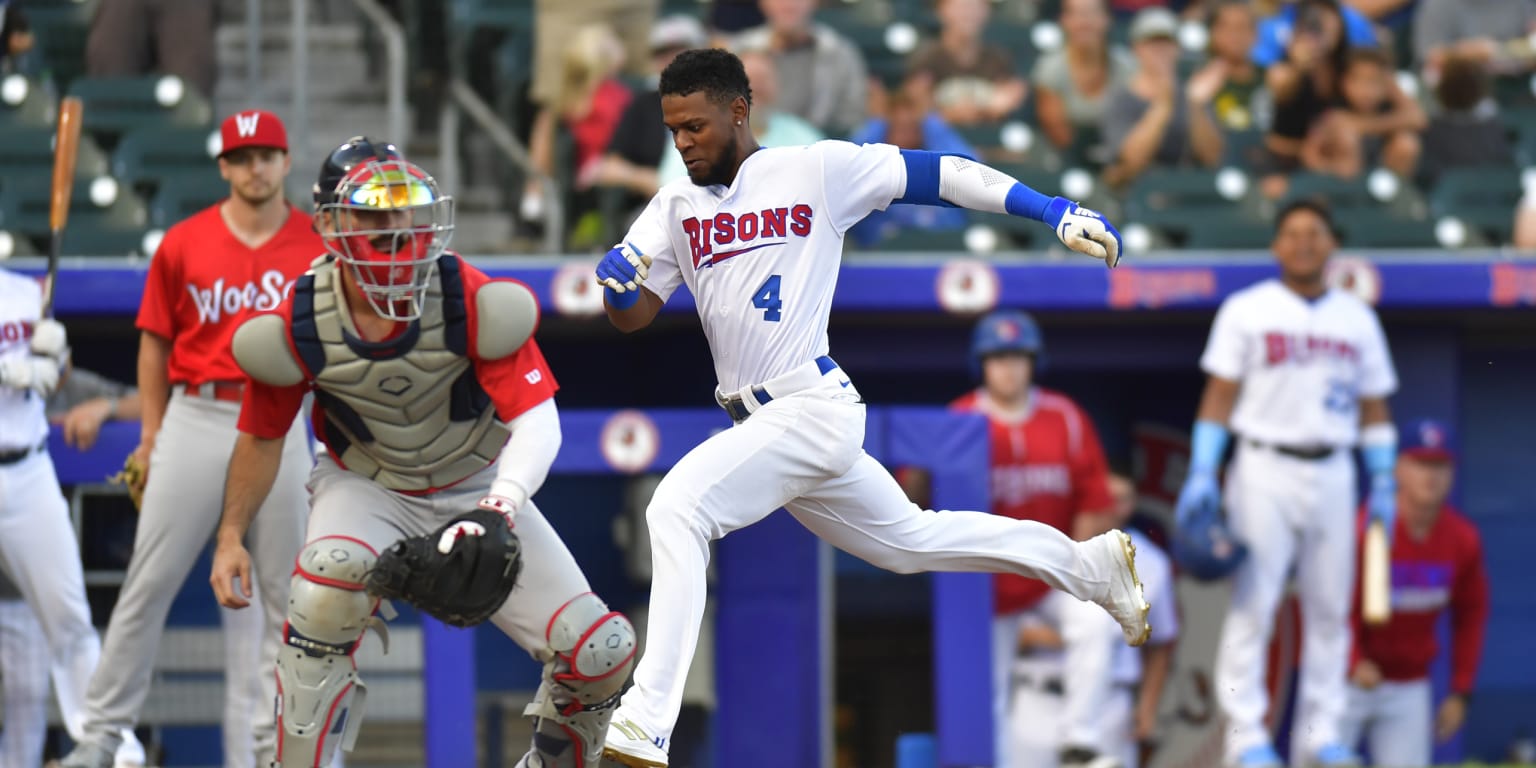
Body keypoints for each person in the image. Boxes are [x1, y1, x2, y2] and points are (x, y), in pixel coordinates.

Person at [592, 47, 1146, 768]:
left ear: (738, 110)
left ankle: (644, 725)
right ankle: (1090, 567)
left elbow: (940, 175)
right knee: (910, 543)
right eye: (672, 130)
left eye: (695, 125)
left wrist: (1049, 209)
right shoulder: (673, 204)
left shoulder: (814, 168)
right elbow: (632, 316)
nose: (683, 142)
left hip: (808, 403)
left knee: (676, 510)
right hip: (762, 421)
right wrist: (615, 285)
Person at [207, 140, 636, 768]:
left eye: (402, 210)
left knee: (602, 652)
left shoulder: (465, 292)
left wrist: (498, 507)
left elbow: (539, 422)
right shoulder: (302, 316)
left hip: (476, 479)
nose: (393, 229)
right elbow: (263, 436)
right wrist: (230, 534)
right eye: (371, 212)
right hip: (366, 485)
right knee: (323, 587)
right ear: (329, 222)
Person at [60, 110, 320, 768]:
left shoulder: (318, 245)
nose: (255, 167)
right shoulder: (183, 241)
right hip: (199, 413)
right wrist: (149, 436)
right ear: (224, 167)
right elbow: (154, 344)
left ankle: (279, 749)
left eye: (267, 155)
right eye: (242, 156)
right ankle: (100, 737)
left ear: (286, 162)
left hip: (283, 421)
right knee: (147, 585)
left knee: (290, 598)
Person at [1173, 199, 1399, 768]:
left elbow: (1374, 408)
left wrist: (1385, 477)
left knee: (1330, 609)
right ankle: (1246, 736)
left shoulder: (1357, 317)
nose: (1303, 243)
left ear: (1331, 245)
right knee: (1255, 604)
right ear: (1276, 245)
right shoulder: (1247, 309)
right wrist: (1204, 468)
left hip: (1334, 468)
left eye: (1314, 234)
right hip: (1263, 465)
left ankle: (1319, 737)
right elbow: (1218, 398)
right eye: (1293, 234)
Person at [944, 310, 1125, 768]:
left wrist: (1072, 566)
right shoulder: (960, 418)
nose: (1009, 367)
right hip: (986, 581)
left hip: (1049, 571)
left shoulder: (1064, 416)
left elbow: (1095, 498)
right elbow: (918, 499)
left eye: (1019, 356)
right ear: (981, 364)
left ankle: (1078, 739)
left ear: (1033, 362)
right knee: (988, 691)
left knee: (1095, 621)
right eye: (998, 357)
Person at [0, 270, 147, 768]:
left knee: (69, 617)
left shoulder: (25, 292)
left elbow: (53, 377)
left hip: (26, 467)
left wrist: (53, 363)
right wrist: (9, 370)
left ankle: (109, 746)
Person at [1004, 470, 1181, 768]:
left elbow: (1160, 641)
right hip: (1036, 695)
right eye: (1105, 498)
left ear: (1134, 503)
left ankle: (1081, 740)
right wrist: (1081, 635)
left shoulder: (1150, 561)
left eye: (1122, 499)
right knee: (1093, 626)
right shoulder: (1044, 546)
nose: (1112, 507)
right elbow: (1004, 631)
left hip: (1109, 702)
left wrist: (1148, 707)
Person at [1339, 419, 1489, 767]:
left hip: (1408, 683)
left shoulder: (1462, 538)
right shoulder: (1368, 527)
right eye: (1421, 463)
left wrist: (1461, 691)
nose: (1431, 475)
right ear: (1398, 468)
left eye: (1440, 465)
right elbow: (1332, 607)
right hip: (1347, 678)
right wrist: (1351, 660)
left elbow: (1471, 616)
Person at [657, 47, 823, 186]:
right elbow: (673, 185)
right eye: (750, 80)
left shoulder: (802, 134)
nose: (757, 87)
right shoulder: (698, 135)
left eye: (764, 79)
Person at [1100, 7, 1225, 188]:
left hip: (1188, 190)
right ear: (1136, 48)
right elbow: (1131, 161)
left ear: (1178, 49)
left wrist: (1195, 105)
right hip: (1137, 192)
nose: (1160, 50)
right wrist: (1163, 104)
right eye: (1152, 43)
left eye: (1166, 43)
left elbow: (1212, 157)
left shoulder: (1194, 94)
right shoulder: (1120, 98)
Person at [847, 90, 974, 247]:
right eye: (899, 127)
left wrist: (932, 125)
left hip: (939, 240)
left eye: (911, 127)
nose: (905, 135)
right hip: (882, 242)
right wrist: (878, 125)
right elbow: (850, 169)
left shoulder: (933, 134)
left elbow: (970, 167)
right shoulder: (874, 141)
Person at [731, 0, 870, 136]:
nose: (789, 4)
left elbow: (851, 121)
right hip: (752, 149)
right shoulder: (739, 52)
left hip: (820, 149)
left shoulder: (840, 55)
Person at [1030, 0, 1135, 159]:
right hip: (1065, 158)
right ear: (1064, 20)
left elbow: (1134, 124)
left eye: (1092, 13)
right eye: (1076, 14)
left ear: (1107, 19)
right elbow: (1060, 137)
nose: (1084, 22)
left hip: (1122, 158)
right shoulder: (1049, 69)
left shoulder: (1128, 68)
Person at [903, 0, 1028, 126]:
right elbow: (914, 105)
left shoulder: (999, 58)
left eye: (976, 7)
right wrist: (952, 114)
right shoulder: (926, 58)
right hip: (941, 140)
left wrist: (993, 107)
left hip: (987, 136)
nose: (969, 13)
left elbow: (1012, 94)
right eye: (961, 7)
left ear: (987, 12)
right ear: (941, 11)